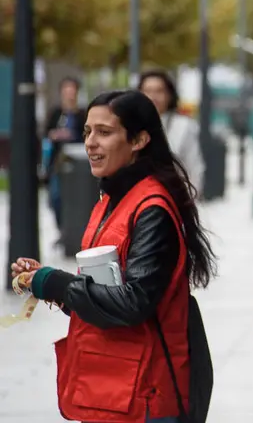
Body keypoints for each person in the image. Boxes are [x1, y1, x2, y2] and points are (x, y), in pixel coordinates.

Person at [10, 90, 216, 423]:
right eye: (87, 132)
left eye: (104, 133)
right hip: (112, 390)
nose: (91, 142)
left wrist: (60, 285)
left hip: (147, 394)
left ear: (139, 140)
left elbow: (135, 302)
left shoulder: (152, 209)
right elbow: (103, 294)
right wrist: (45, 281)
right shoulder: (111, 200)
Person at [139, 70, 205, 193]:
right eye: (148, 91)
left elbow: (195, 169)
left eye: (159, 91)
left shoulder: (184, 126)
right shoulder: (129, 125)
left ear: (169, 95)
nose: (153, 97)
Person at [43, 76, 87, 239]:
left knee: (76, 199)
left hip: (77, 163)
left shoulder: (82, 114)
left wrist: (72, 135)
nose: (69, 95)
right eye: (66, 91)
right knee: (55, 197)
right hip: (57, 163)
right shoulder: (56, 113)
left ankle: (73, 232)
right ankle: (62, 230)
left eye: (72, 91)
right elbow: (46, 133)